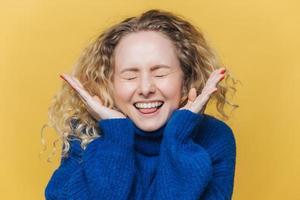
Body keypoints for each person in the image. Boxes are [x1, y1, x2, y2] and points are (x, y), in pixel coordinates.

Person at [43, 9, 238, 200]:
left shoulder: (214, 138)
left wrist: (179, 138)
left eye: (160, 73)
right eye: (129, 75)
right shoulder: (84, 134)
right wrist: (116, 137)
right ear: (109, 84)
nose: (145, 88)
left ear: (186, 81)